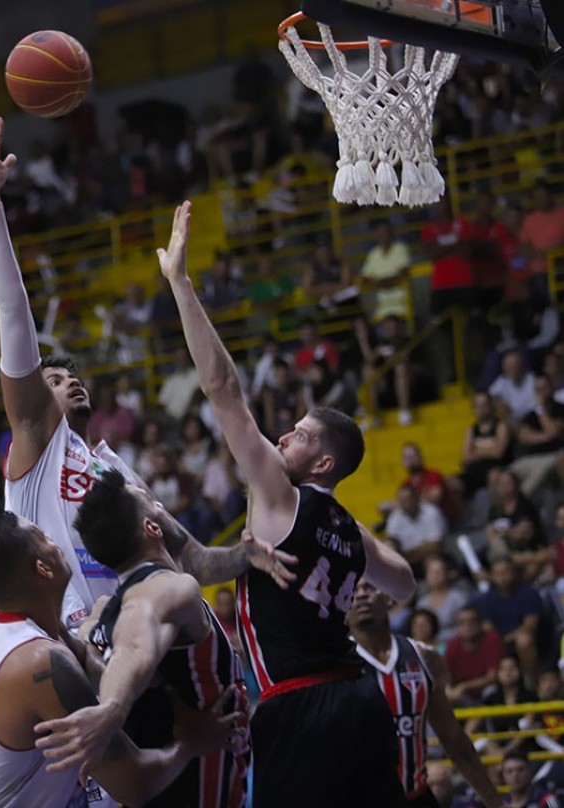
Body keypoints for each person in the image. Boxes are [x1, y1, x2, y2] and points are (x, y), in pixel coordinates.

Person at [0, 113, 293, 632]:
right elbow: (12, 310)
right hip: (73, 642)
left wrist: (246, 555)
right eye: (52, 381)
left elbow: (191, 559)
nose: (69, 381)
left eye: (71, 376)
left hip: (139, 639)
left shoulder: (118, 472)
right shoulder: (36, 444)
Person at [160, 200, 416, 806]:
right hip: (361, 698)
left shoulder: (280, 494)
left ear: (322, 464)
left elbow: (222, 387)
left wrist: (181, 283)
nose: (281, 438)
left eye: (298, 435)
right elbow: (404, 583)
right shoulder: (350, 529)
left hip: (299, 705)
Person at [0, 511, 235, 808]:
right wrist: (191, 744)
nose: (55, 541)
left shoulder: (0, 629)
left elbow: (83, 654)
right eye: (44, 538)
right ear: (43, 569)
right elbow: (134, 784)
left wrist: (130, 674)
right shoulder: (39, 662)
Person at [34, 470, 255, 807]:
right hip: (198, 790)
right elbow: (135, 644)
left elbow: (109, 660)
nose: (162, 507)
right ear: (153, 528)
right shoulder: (166, 588)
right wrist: (111, 710)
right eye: (154, 503)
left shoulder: (101, 613)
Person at [349, 580, 503, 808]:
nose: (362, 594)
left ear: (389, 597)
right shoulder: (334, 663)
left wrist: (496, 804)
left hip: (416, 796)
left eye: (369, 587)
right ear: (342, 602)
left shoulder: (424, 657)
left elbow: (453, 739)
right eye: (354, 589)